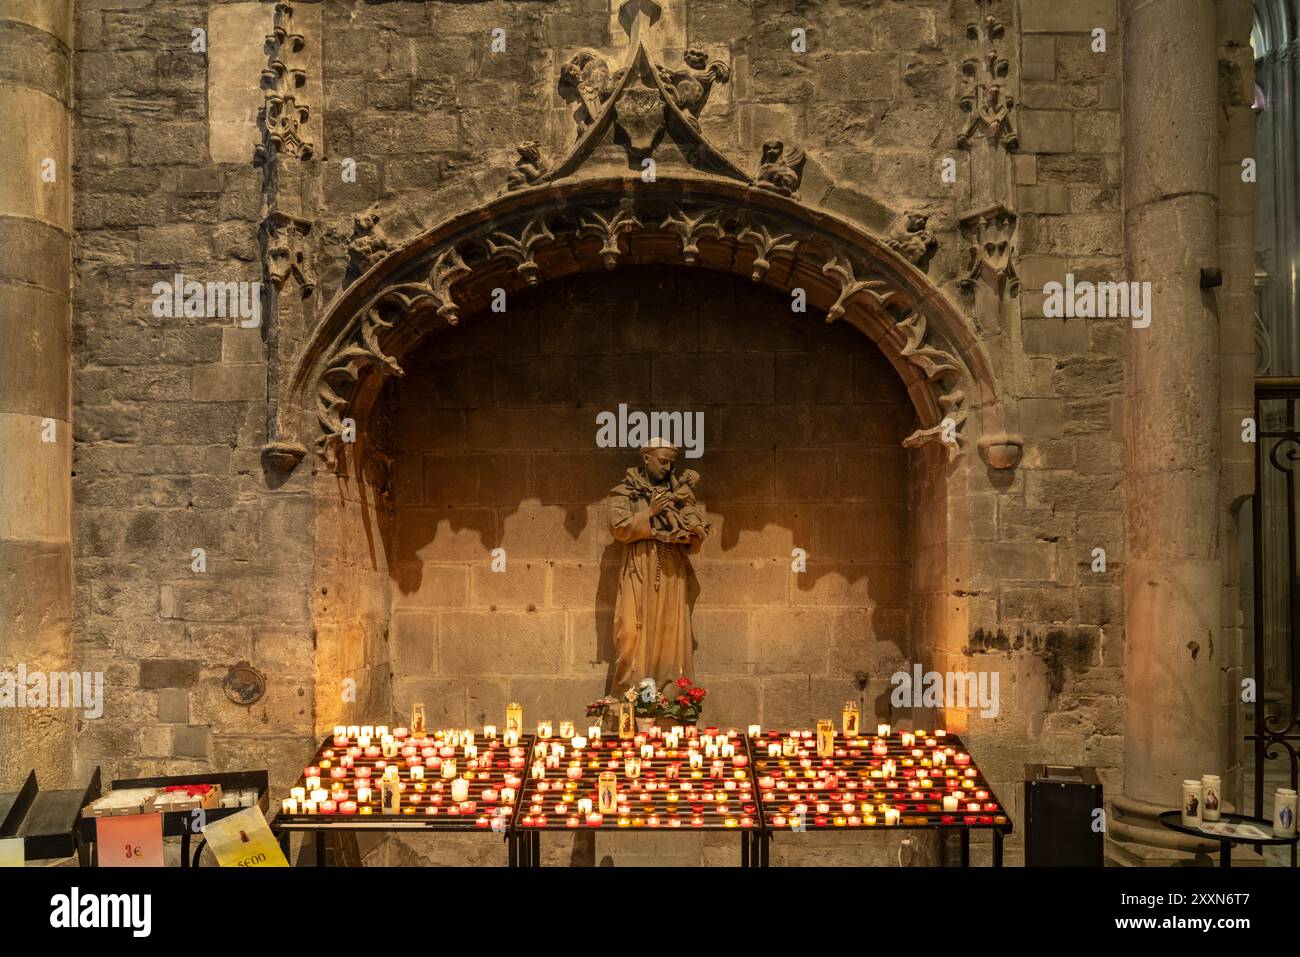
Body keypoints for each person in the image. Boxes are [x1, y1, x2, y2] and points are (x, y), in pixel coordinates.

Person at [606, 438, 708, 693]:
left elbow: (692, 518)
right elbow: (619, 527)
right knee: (629, 631)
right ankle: (630, 695)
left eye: (671, 463)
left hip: (671, 565)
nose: (667, 468)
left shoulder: (679, 493)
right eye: (662, 462)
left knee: (669, 630)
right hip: (638, 565)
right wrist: (649, 513)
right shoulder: (624, 492)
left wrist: (694, 531)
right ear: (646, 458)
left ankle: (669, 696)